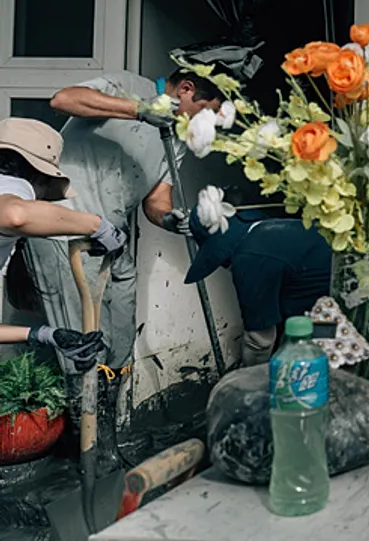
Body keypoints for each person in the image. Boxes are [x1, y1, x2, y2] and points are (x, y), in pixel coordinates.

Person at [22, 60, 230, 470]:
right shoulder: (122, 85)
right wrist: (140, 110)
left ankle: (105, 439)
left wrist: (175, 220)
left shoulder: (177, 138)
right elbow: (64, 99)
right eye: (206, 110)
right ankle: (86, 453)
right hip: (64, 233)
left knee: (116, 342)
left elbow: (157, 202)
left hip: (112, 240)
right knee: (81, 343)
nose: (206, 122)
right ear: (186, 89)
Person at [0, 118, 124, 373]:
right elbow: (15, 215)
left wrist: (44, 335)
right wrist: (98, 226)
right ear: (40, 178)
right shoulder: (11, 186)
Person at [182, 190, 331, 367]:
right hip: (357, 311)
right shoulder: (282, 229)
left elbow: (259, 340)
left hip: (332, 331)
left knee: (292, 379)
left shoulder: (249, 258)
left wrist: (247, 380)